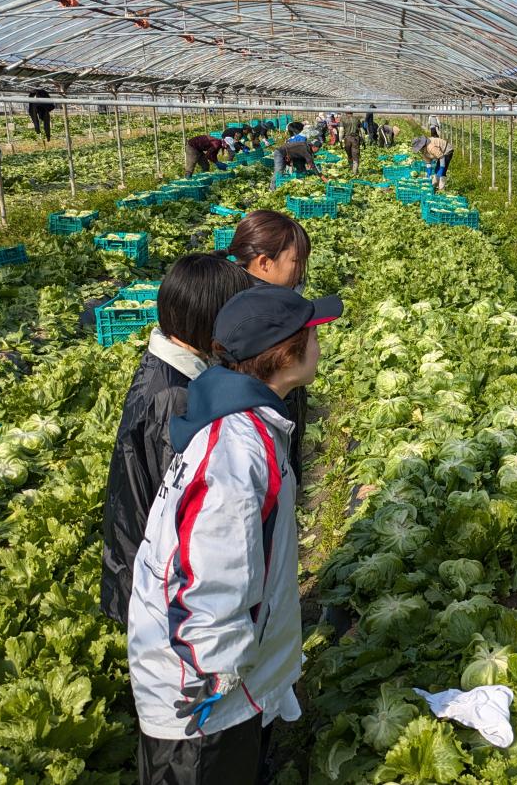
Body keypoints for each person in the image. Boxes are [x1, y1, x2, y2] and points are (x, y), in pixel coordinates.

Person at [127, 284, 341, 784]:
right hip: (201, 708)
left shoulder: (244, 422)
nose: (319, 344)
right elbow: (203, 580)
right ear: (285, 355)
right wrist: (212, 679)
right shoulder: (235, 451)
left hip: (229, 685)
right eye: (312, 334)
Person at [101, 254, 254, 625]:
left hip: (145, 562)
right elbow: (184, 503)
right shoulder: (174, 397)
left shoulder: (170, 368)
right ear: (211, 320)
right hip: (158, 583)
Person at [227, 210, 312, 483]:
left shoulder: (272, 301)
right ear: (264, 263)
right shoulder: (255, 319)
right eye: (296, 261)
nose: (301, 271)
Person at [272, 122, 319, 191]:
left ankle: (299, 181)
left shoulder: (302, 137)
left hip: (292, 154)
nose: (312, 137)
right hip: (282, 153)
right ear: (308, 133)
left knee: (301, 167)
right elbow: (304, 152)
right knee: (279, 170)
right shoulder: (302, 139)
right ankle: (272, 188)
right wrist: (309, 163)